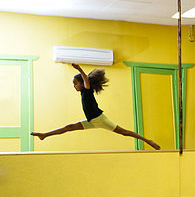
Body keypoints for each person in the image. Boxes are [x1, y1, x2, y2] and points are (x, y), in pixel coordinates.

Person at [31, 63, 161, 150]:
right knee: (69, 127)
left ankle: (148, 141)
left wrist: (79, 69)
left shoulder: (87, 90)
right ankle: (44, 135)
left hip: (100, 119)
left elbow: (86, 81)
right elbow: (84, 82)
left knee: (125, 133)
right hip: (91, 121)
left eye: (75, 83)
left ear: (82, 83)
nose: (74, 86)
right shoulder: (83, 92)